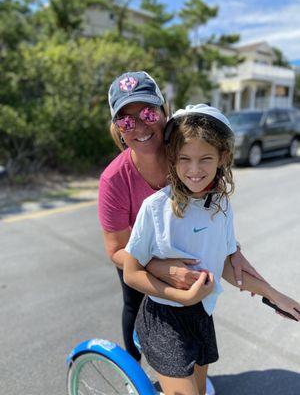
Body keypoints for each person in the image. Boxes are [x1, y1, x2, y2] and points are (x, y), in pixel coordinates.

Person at [98, 71, 265, 394]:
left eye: (147, 113)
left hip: (187, 252)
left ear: (164, 111)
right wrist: (159, 267)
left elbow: (212, 209)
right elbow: (116, 248)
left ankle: (187, 372)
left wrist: (233, 250)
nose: (141, 127)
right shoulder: (114, 181)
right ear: (117, 129)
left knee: (193, 316)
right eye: (126, 121)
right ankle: (138, 378)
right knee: (136, 307)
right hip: (140, 257)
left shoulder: (187, 149)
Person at [123, 104, 300, 395]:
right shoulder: (155, 209)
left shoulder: (221, 206)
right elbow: (131, 273)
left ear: (222, 158)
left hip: (201, 314)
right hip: (163, 318)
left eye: (205, 158)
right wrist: (183, 295)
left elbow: (226, 267)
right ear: (172, 158)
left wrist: (275, 295)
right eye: (184, 159)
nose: (194, 170)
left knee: (201, 390)